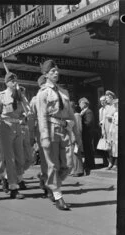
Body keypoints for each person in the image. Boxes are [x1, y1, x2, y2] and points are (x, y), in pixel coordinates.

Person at [36, 59, 75, 211]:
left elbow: (70, 114)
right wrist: (44, 136)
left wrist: (73, 130)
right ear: (45, 74)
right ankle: (58, 196)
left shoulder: (64, 92)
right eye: (52, 71)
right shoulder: (43, 93)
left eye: (57, 70)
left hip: (64, 130)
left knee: (68, 165)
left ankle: (47, 181)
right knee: (53, 165)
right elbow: (41, 116)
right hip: (50, 129)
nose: (56, 73)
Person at [0, 71, 29, 199]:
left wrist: (22, 98)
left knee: (21, 157)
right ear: (7, 83)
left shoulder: (20, 95)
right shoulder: (1, 96)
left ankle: (10, 177)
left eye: (16, 81)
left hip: (18, 127)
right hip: (5, 127)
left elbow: (27, 110)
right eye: (12, 81)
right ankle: (13, 187)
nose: (15, 83)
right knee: (10, 159)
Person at [29, 75, 49, 198]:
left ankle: (44, 179)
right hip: (42, 132)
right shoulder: (35, 99)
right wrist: (31, 135)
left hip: (55, 131)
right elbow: (31, 118)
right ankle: (47, 186)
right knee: (46, 160)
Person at [79, 97, 95, 175]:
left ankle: (91, 164)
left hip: (88, 133)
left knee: (89, 148)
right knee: (86, 149)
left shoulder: (88, 112)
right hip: (85, 133)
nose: (79, 105)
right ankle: (87, 162)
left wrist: (80, 122)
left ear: (85, 104)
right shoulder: (83, 112)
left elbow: (88, 122)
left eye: (80, 103)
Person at [102, 90, 116, 170]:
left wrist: (111, 117)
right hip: (107, 130)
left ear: (111, 98)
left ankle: (115, 164)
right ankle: (110, 163)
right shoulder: (106, 107)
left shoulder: (115, 106)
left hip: (113, 129)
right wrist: (103, 130)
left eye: (107, 99)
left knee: (114, 146)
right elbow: (104, 119)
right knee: (108, 147)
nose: (106, 100)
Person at [69, 102, 84, 177]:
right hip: (71, 137)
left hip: (75, 137)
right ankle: (74, 170)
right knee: (73, 154)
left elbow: (78, 128)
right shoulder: (71, 116)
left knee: (77, 154)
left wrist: (76, 137)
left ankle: (79, 170)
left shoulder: (76, 115)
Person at [98, 95, 109, 167]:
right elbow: (100, 119)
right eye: (100, 101)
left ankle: (110, 162)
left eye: (103, 100)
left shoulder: (108, 108)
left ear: (106, 100)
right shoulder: (100, 110)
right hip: (102, 129)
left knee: (108, 146)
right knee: (103, 146)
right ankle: (105, 162)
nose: (102, 102)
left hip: (108, 129)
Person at [108, 98, 118, 170]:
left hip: (118, 131)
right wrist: (110, 131)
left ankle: (116, 164)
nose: (115, 106)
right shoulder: (115, 113)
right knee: (114, 148)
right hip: (114, 132)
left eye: (116, 105)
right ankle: (115, 163)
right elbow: (112, 123)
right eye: (115, 105)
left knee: (118, 148)